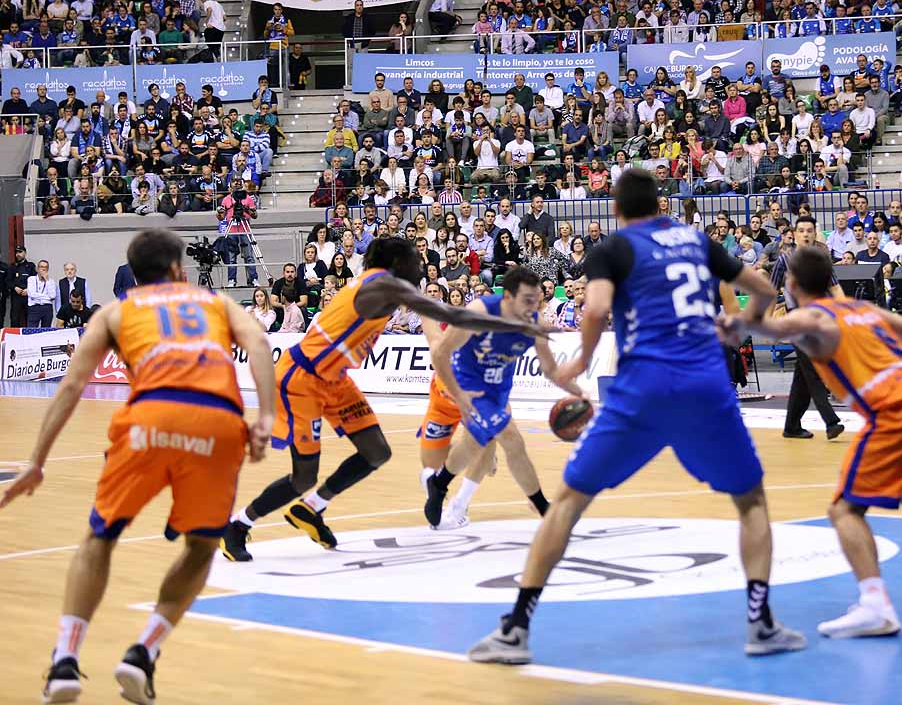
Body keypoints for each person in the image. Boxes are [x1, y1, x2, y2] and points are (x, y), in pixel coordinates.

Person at [468, 170, 807, 664]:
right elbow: (763, 289)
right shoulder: (694, 239)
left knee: (567, 503)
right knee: (751, 501)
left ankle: (517, 627)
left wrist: (580, 361)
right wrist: (740, 323)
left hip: (642, 392)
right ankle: (761, 622)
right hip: (705, 388)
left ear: (616, 208)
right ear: (660, 204)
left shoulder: (616, 247)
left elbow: (595, 309)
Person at [0, 229, 276, 704]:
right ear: (176, 269)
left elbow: (70, 387)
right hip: (216, 421)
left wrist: (37, 461)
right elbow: (257, 344)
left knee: (100, 538)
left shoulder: (115, 311)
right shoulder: (212, 301)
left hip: (148, 417)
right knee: (201, 547)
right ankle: (143, 654)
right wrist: (266, 417)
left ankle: (65, 660)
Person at [220, 238, 552, 562]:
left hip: (334, 378)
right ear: (397, 265)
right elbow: (454, 315)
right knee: (304, 476)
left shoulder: (384, 287)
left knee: (376, 451)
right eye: (414, 260)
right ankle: (237, 526)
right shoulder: (384, 286)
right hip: (301, 378)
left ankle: (312, 508)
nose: (419, 265)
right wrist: (513, 325)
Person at [736, 245, 902, 638]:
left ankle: (875, 605)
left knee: (844, 511)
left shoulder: (814, 317)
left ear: (791, 283)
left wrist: (751, 302)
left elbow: (763, 328)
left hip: (896, 411)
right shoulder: (863, 309)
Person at [420, 266, 580, 530]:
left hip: (498, 384)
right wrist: (459, 394)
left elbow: (551, 370)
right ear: (507, 297)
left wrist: (578, 391)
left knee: (475, 442)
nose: (533, 305)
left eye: (536, 300)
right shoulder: (478, 314)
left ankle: (439, 484)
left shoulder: (534, 324)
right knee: (512, 439)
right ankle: (543, 508)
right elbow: (440, 353)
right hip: (467, 379)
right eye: (527, 300)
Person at [781, 217, 844, 440]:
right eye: (801, 231)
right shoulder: (785, 260)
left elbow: (836, 290)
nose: (805, 234)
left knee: (803, 373)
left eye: (809, 231)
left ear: (815, 234)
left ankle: (791, 426)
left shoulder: (822, 261)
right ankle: (831, 421)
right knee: (814, 369)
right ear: (794, 235)